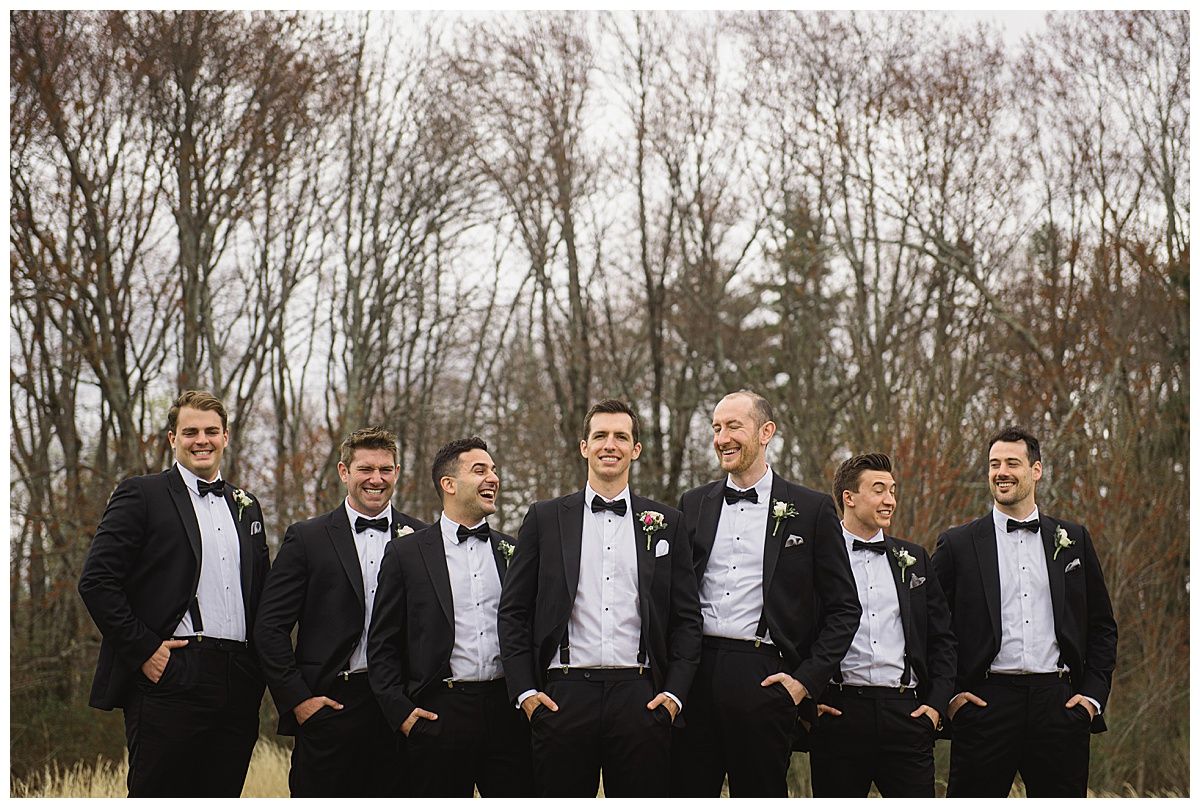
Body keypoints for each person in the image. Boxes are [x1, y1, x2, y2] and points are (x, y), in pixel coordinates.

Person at [497, 399, 702, 797]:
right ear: (584, 446)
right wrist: (526, 694)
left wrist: (673, 695)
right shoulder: (544, 518)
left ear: (635, 449)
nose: (611, 444)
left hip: (641, 698)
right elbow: (513, 612)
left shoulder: (667, 524)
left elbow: (687, 618)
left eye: (621, 436)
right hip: (563, 697)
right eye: (601, 436)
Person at [78, 390, 270, 797]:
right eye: (190, 432)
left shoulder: (247, 506)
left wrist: (260, 669)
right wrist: (146, 650)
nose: (202, 440)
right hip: (172, 672)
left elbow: (262, 595)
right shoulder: (141, 494)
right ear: (172, 439)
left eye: (211, 431)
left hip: (239, 679)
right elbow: (96, 580)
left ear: (226, 437)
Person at [670, 390, 861, 797]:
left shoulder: (810, 510)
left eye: (734, 426)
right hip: (696, 673)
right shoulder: (693, 503)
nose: (722, 437)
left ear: (766, 432)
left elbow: (845, 609)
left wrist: (802, 683)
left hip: (764, 676)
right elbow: (673, 596)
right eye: (717, 428)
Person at [932, 427, 1118, 797]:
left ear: (1036, 471)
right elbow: (932, 627)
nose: (1001, 471)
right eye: (994, 464)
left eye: (1012, 463)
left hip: (1060, 705)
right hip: (985, 705)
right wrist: (951, 697)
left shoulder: (1072, 540)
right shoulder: (957, 545)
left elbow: (1102, 626)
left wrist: (1092, 699)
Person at [253, 426, 425, 796]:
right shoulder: (307, 538)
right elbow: (269, 627)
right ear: (344, 472)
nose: (376, 479)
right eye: (365, 469)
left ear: (396, 472)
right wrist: (298, 700)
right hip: (331, 706)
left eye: (385, 469)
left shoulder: (424, 538)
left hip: (401, 711)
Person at [368, 437, 533, 796]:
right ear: (449, 484)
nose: (493, 478)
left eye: (493, 470)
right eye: (480, 470)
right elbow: (382, 645)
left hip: (507, 713)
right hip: (437, 714)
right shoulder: (406, 554)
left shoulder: (514, 552)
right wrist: (402, 714)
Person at [808, 452, 956, 797]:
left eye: (892, 490)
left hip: (906, 714)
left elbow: (942, 639)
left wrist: (934, 706)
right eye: (878, 490)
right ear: (849, 497)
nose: (890, 500)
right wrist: (808, 700)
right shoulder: (816, 558)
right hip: (839, 714)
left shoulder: (915, 559)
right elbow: (797, 630)